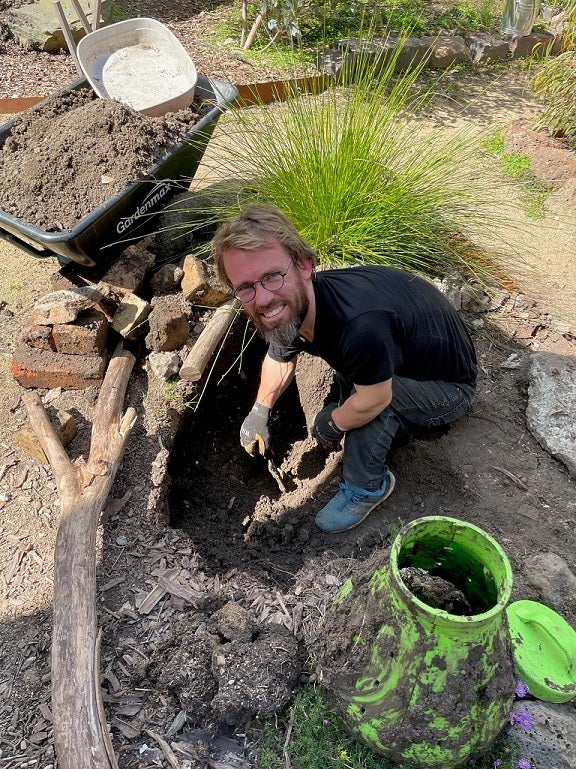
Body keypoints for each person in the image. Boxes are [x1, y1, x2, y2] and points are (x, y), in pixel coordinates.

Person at [211, 205, 477, 533]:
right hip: (398, 359)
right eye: (245, 287)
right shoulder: (295, 305)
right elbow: (279, 357)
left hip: (447, 386)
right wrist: (259, 411)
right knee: (360, 387)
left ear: (304, 265)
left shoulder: (358, 327)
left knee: (375, 402)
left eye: (271, 276)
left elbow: (376, 399)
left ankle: (367, 487)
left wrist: (331, 424)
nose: (262, 297)